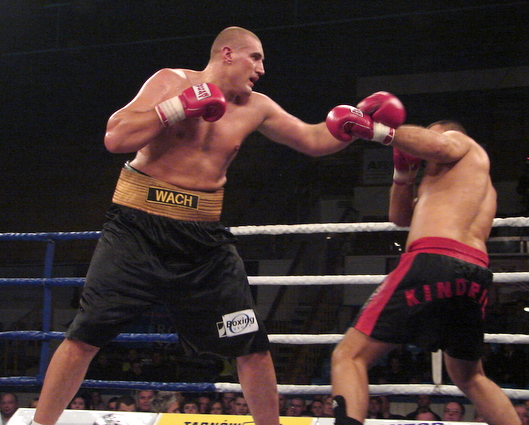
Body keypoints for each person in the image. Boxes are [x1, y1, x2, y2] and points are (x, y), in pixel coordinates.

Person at [31, 25, 363, 425]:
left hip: (202, 243)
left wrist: (354, 126)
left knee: (252, 346)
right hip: (137, 231)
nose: (261, 69)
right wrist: (178, 107)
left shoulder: (257, 106)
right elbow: (116, 137)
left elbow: (312, 140)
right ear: (227, 53)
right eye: (255, 57)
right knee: (85, 335)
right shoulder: (171, 81)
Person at [326, 106, 522, 425]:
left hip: (433, 260)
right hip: (472, 276)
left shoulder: (461, 143)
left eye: (429, 134)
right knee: (470, 376)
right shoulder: (459, 183)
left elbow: (439, 144)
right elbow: (400, 218)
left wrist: (378, 131)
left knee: (348, 356)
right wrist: (403, 176)